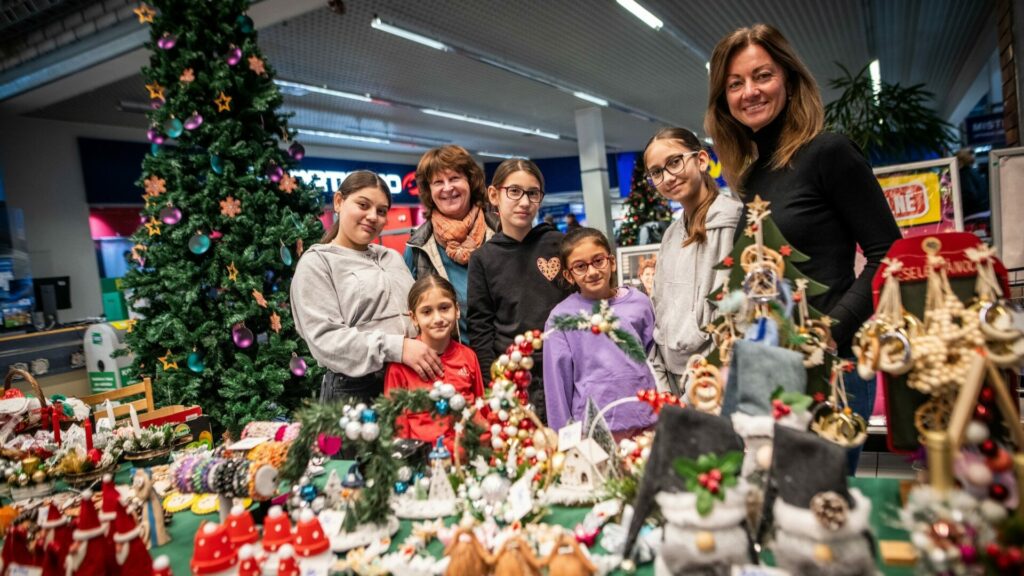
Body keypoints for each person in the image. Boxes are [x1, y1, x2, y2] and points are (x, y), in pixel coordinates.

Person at [706, 24, 901, 467]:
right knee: (768, 510)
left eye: (762, 76)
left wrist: (831, 329)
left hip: (830, 372)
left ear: (789, 81)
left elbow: (887, 254)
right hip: (766, 371)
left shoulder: (828, 153)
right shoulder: (753, 176)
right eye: (735, 84)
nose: (749, 92)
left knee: (818, 517)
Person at [291, 170, 443, 403]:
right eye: (363, 205)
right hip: (355, 391)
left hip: (409, 379)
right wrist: (397, 347)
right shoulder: (318, 263)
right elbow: (326, 340)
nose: (373, 216)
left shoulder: (391, 257)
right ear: (339, 202)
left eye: (381, 211)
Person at [467, 159, 571, 421]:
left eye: (532, 193)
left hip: (564, 368)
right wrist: (493, 382)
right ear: (494, 195)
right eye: (514, 191)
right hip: (514, 376)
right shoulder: (483, 258)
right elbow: (480, 325)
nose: (524, 202)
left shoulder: (559, 245)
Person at [642, 127, 743, 393]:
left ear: (700, 160)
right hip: (673, 381)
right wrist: (664, 387)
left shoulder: (733, 222)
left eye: (674, 162)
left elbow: (736, 317)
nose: (668, 177)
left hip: (715, 382)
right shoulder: (670, 236)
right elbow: (659, 311)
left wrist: (701, 390)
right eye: (656, 172)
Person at [543, 227, 657, 438]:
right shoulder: (561, 319)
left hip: (646, 422)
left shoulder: (639, 303)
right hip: (594, 430)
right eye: (580, 266)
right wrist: (563, 440)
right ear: (568, 275)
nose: (593, 271)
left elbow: (654, 361)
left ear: (611, 262)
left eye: (598, 261)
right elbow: (557, 387)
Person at [405, 146, 500, 343]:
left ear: (470, 181)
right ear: (429, 191)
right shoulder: (417, 247)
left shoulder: (501, 232)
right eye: (438, 182)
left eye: (455, 178)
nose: (447, 188)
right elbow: (407, 313)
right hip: (450, 364)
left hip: (505, 357)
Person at [385, 275, 484, 452]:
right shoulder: (399, 367)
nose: (438, 318)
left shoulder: (468, 357)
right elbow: (396, 428)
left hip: (466, 463)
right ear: (413, 318)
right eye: (427, 311)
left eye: (444, 308)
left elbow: (480, 410)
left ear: (457, 310)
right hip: (423, 467)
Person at [955, 147, 990, 218]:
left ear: (959, 161)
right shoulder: (976, 172)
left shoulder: (963, 175)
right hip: (986, 211)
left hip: (973, 215)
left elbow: (970, 195)